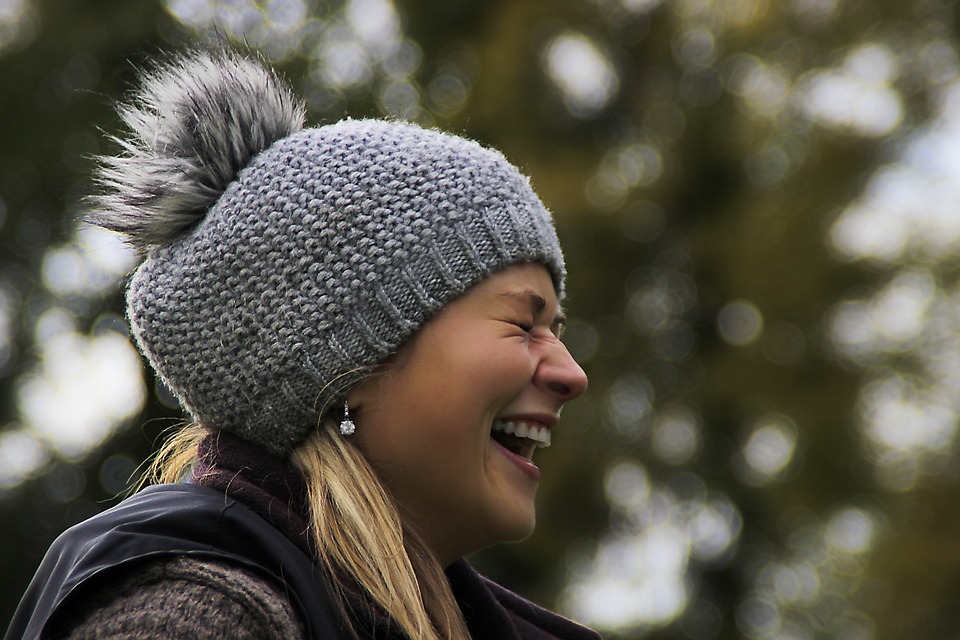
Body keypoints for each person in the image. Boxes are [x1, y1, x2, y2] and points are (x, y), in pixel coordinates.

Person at [6, 48, 595, 640]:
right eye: (523, 325)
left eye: (558, 330)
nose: (572, 374)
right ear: (350, 368)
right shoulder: (200, 617)